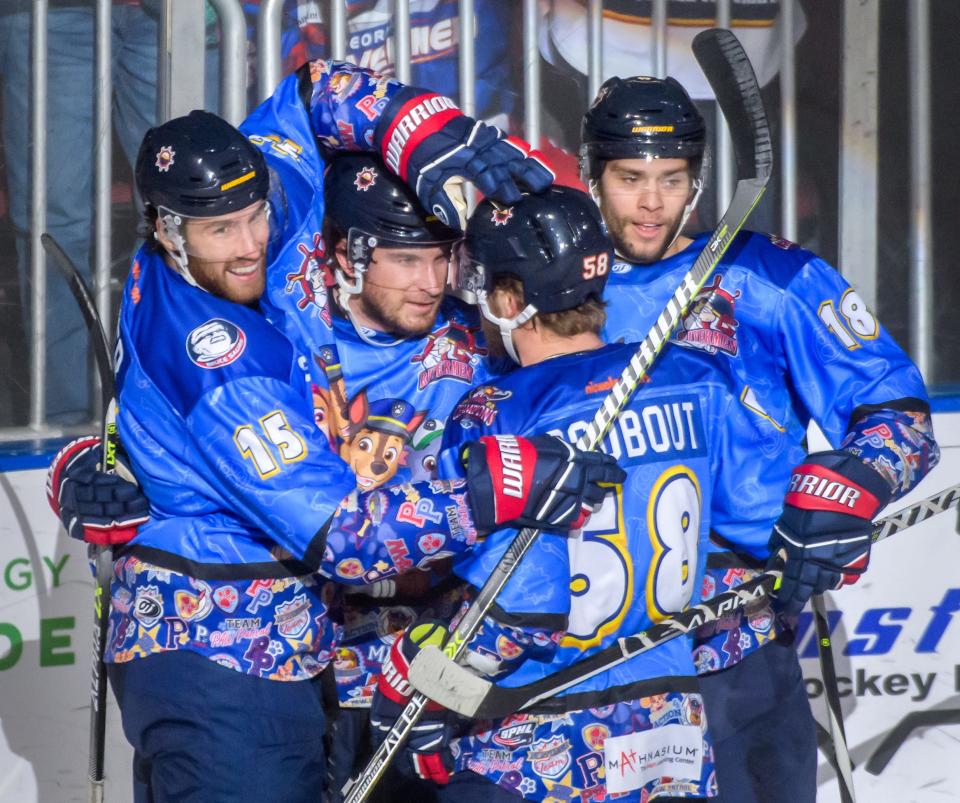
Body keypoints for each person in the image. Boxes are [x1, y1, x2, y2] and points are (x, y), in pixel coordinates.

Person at [45, 61, 624, 801]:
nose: (428, 281)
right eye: (405, 257)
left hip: (415, 677)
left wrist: (413, 124)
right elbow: (344, 531)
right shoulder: (252, 329)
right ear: (346, 251)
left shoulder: (463, 319)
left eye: (442, 255)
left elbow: (310, 92)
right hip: (260, 665)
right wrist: (499, 482)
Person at [579, 75, 940, 802]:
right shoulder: (555, 281)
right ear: (593, 176)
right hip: (593, 641)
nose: (652, 202)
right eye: (630, 179)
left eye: (672, 179)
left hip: (739, 630)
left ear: (699, 178)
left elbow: (898, 410)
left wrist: (855, 479)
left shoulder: (772, 276)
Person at [369, 185, 770, 801]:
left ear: (510, 297)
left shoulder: (498, 409)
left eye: (484, 282)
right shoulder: (692, 375)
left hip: (535, 739)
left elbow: (522, 602)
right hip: (669, 723)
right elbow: (763, 518)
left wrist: (428, 684)